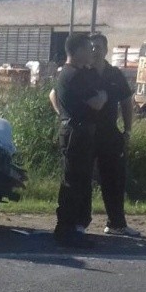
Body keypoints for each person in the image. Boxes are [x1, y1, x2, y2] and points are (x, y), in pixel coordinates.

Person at [50, 33, 108, 248]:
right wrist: (103, 96)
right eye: (88, 49)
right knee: (73, 182)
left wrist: (64, 115)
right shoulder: (74, 75)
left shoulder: (71, 73)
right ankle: (66, 229)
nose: (91, 53)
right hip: (77, 133)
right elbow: (96, 103)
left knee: (80, 181)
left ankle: (74, 227)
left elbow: (54, 96)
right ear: (78, 51)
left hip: (76, 131)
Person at [88, 33, 141, 236]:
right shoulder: (82, 72)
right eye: (92, 47)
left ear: (106, 50)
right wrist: (63, 116)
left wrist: (127, 130)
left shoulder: (114, 74)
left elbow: (126, 102)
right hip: (86, 133)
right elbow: (55, 94)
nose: (95, 50)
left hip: (109, 133)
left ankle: (116, 224)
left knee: (114, 179)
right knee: (82, 179)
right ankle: (77, 224)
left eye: (99, 47)